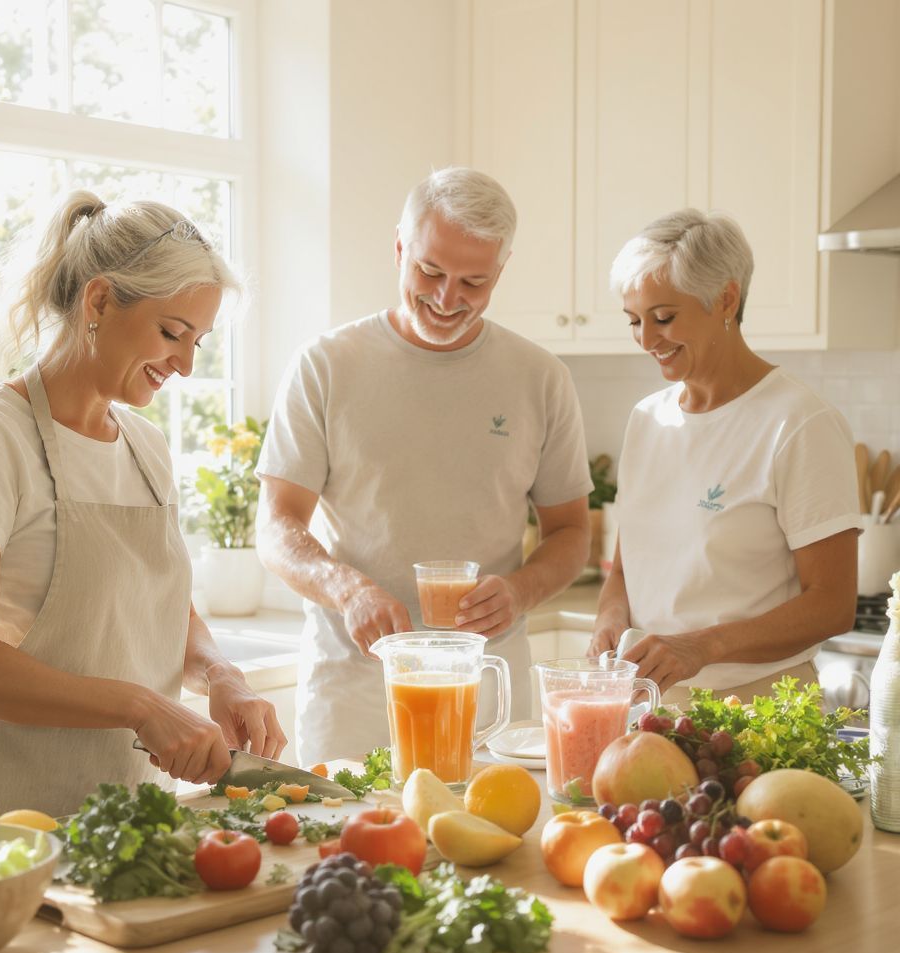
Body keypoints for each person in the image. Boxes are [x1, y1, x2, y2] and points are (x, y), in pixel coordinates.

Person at [0, 191, 287, 817]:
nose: (187, 366)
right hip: (5, 823)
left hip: (131, 822)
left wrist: (222, 675)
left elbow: (163, 611)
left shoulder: (146, 447)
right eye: (173, 333)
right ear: (99, 300)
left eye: (199, 341)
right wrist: (140, 706)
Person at [256, 167, 593, 764]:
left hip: (488, 699)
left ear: (501, 271)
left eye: (474, 282)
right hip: (355, 700)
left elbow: (570, 533)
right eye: (430, 272)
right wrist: (348, 589)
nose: (446, 298)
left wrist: (519, 591)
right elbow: (277, 525)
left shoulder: (541, 378)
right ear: (399, 249)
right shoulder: (326, 365)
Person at [588, 208, 861, 706]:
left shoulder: (798, 424)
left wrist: (703, 647)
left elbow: (832, 605)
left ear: (726, 299)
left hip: (759, 708)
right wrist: (611, 618)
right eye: (634, 321)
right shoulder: (646, 421)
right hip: (650, 706)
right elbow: (627, 572)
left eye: (664, 318)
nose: (647, 341)